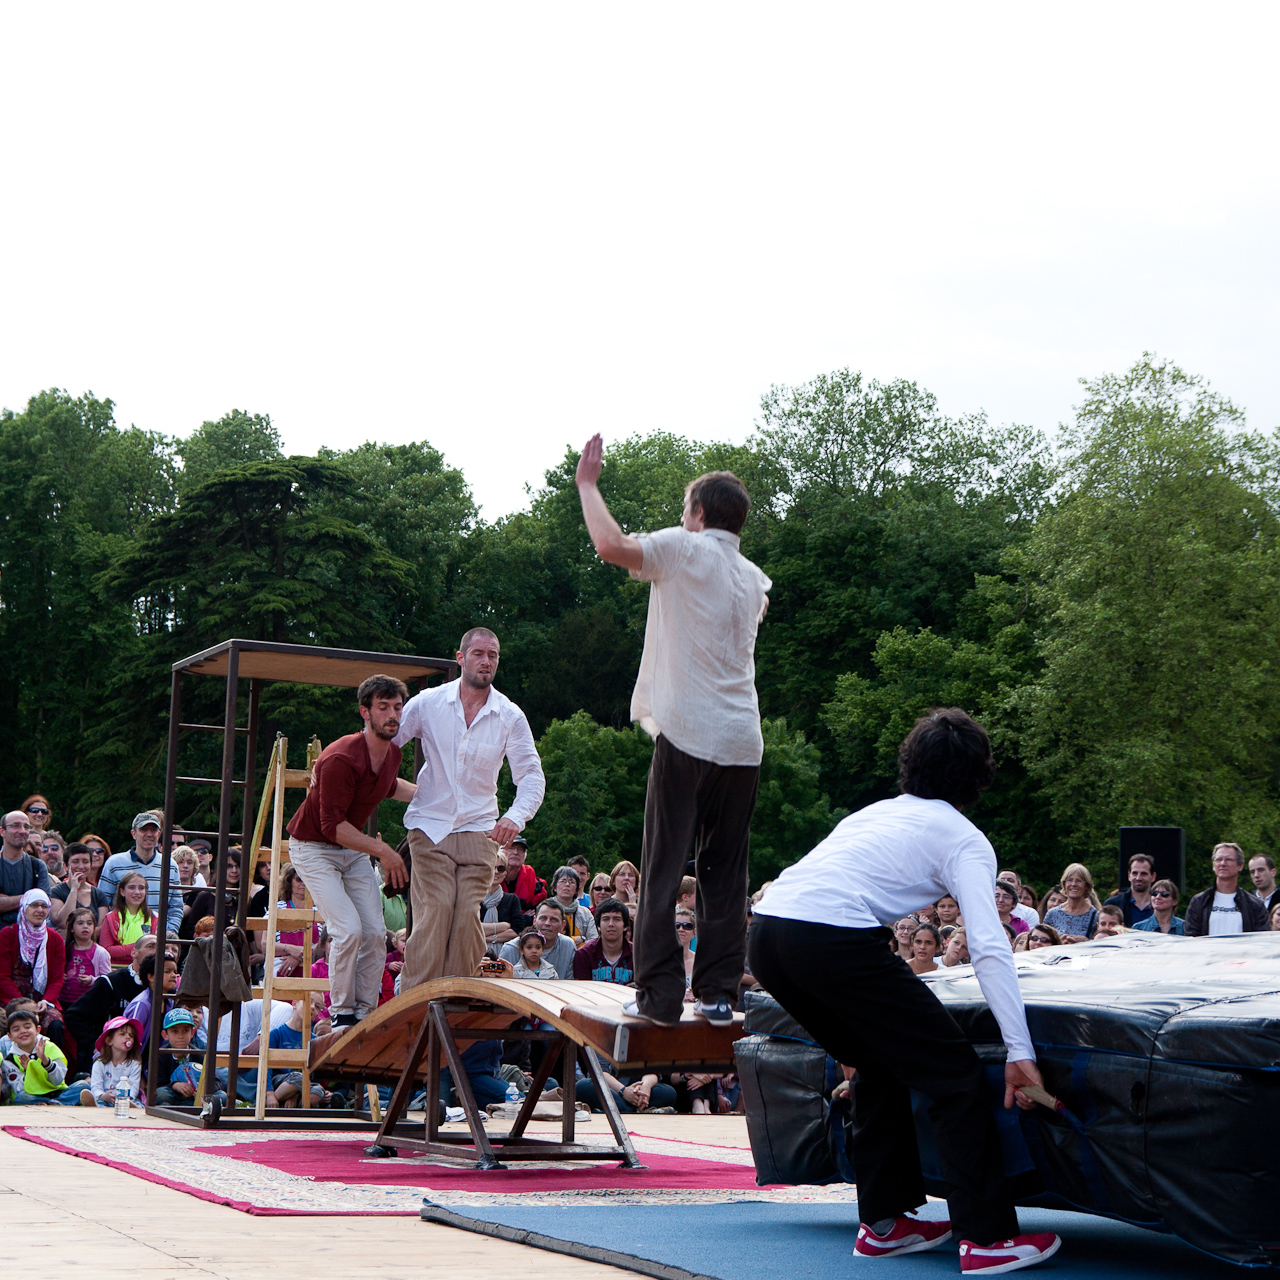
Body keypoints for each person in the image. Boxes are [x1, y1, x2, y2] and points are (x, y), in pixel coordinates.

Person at [750, 708, 1060, 1272]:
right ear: (979, 777)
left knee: (878, 1062)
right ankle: (987, 1239)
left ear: (910, 765)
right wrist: (1020, 1051)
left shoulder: (873, 814)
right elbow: (989, 946)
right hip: (831, 938)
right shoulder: (965, 839)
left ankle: (885, 1223)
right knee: (954, 1074)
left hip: (769, 935)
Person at [577, 438, 770, 1031]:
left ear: (699, 513)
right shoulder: (754, 579)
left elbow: (610, 546)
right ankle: (717, 995)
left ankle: (659, 996)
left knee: (662, 866)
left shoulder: (685, 548)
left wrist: (588, 485)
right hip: (743, 740)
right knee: (725, 873)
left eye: (686, 509)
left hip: (688, 732)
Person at [393, 628, 545, 989]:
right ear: (460, 658)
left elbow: (531, 775)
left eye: (493, 655)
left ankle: (455, 998)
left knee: (465, 918)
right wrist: (344, 764)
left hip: (480, 831)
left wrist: (515, 816)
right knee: (436, 909)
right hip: (430, 826)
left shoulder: (509, 715)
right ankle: (416, 1000)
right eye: (478, 653)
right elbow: (385, 741)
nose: (486, 661)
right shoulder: (428, 703)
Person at [286, 675, 416, 1029]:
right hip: (314, 847)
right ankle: (341, 1012)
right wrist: (384, 850)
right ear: (365, 712)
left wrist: (433, 797)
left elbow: (389, 786)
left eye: (397, 707)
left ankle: (365, 1011)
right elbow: (332, 827)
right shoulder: (340, 758)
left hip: (352, 848)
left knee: (375, 933)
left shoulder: (393, 754)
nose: (392, 715)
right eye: (383, 707)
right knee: (347, 930)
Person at [62, 934, 156, 1076]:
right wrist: (97, 1046)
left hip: (146, 1066)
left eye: (159, 947)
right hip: (107, 1067)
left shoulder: (166, 989)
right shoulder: (110, 982)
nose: (156, 951)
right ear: (134, 952)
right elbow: (73, 1016)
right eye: (150, 946)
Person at [98, 812, 183, 937]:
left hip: (158, 938)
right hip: (122, 936)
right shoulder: (114, 863)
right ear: (134, 833)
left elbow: (176, 907)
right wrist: (113, 932)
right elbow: (103, 903)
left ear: (159, 834)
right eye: (144, 830)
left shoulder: (170, 865)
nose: (149, 834)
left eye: (153, 830)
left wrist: (168, 933)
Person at [0, 891, 66, 1048]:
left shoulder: (55, 939)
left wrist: (47, 1001)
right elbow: (2, 976)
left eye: (44, 906)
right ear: (24, 907)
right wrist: (21, 1003)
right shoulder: (8, 934)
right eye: (34, 905)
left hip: (42, 1001)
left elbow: (56, 979)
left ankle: (52, 1061)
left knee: (55, 1024)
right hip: (11, 999)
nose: (40, 910)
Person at [1184, 843, 1270, 936]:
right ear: (1213, 866)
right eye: (1218, 860)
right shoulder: (1199, 902)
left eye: (1229, 859)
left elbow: (1261, 939)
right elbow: (1191, 938)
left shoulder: (1254, 905)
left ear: (1240, 866)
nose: (1223, 863)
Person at [1, 1006, 70, 1104]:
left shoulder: (50, 1047)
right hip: (32, 1095)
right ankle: (57, 1103)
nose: (23, 1031)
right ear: (10, 1036)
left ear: (38, 1029)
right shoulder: (10, 1059)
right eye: (16, 1029)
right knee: (21, 1097)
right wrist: (28, 1072)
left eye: (27, 1027)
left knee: (82, 1085)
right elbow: (18, 1089)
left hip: (57, 1091)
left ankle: (53, 1102)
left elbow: (58, 1080)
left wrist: (46, 1061)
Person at [79, 1016, 144, 1108]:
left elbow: (134, 1087)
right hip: (105, 1098)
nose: (128, 1037)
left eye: (131, 1035)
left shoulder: (134, 1064)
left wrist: (127, 1098)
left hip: (126, 1099)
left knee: (139, 1105)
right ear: (109, 1041)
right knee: (100, 1103)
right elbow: (96, 1086)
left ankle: (131, 1107)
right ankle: (95, 1105)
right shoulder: (99, 1063)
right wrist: (103, 1096)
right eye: (122, 1034)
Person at [0, 810, 51, 927]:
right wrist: (29, 897)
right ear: (2, 831)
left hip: (29, 934)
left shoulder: (37, 866)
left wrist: (5, 900)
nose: (22, 831)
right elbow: (35, 901)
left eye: (26, 827)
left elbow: (43, 904)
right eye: (16, 826)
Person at [498, 900, 576, 977]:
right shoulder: (511, 949)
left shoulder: (568, 946)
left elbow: (571, 982)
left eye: (553, 920)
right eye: (543, 918)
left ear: (563, 925)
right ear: (534, 921)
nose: (547, 923)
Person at [48, 843, 111, 933]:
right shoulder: (55, 892)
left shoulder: (98, 895)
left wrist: (79, 936)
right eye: (75, 861)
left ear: (90, 865)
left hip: (92, 942)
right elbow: (63, 923)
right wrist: (74, 890)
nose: (81, 866)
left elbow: (102, 927)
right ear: (65, 866)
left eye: (85, 862)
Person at [100, 870, 160, 963]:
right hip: (116, 968)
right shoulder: (111, 918)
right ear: (122, 891)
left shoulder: (155, 917)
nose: (137, 892)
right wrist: (139, 948)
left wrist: (123, 950)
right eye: (131, 887)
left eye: (141, 888)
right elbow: (106, 950)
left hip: (146, 967)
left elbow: (157, 949)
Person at [573, 899, 635, 983]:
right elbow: (582, 988)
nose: (611, 924)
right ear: (598, 925)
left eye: (617, 919)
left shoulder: (637, 954)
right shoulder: (584, 954)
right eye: (605, 919)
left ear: (625, 926)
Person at [61, 908, 111, 1006]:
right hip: (64, 1001)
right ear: (71, 928)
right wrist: (60, 977)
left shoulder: (101, 953)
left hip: (89, 1003)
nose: (85, 926)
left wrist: (91, 980)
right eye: (80, 923)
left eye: (89, 923)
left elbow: (107, 979)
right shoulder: (64, 949)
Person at [1043, 865, 1100, 943]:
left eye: (1079, 881)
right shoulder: (1052, 914)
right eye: (1070, 880)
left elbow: (1101, 944)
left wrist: (1087, 941)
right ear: (1064, 884)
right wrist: (1060, 942)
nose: (1073, 884)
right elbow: (1043, 942)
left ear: (1086, 886)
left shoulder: (1095, 915)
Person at [480, 851, 526, 947]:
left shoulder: (512, 899)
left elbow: (518, 930)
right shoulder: (474, 898)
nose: (496, 871)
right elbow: (469, 927)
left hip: (504, 953)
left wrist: (488, 938)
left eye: (500, 868)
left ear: (505, 873)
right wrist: (503, 926)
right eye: (492, 867)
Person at [501, 838, 547, 923]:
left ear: (524, 857)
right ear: (502, 852)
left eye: (520, 849)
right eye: (511, 848)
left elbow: (535, 912)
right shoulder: (492, 874)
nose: (516, 852)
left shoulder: (531, 878)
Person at [1104, 854, 1156, 927]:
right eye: (1135, 873)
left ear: (1153, 877)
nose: (1138, 878)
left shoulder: (1161, 905)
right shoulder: (1113, 904)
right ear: (1129, 875)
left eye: (1143, 874)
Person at [550, 866, 597, 943]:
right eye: (563, 881)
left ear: (576, 889)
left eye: (572, 882)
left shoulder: (585, 913)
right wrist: (577, 939)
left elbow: (594, 941)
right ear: (555, 887)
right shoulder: (545, 910)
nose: (567, 884)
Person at [675, 905, 697, 996]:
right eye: (677, 926)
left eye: (687, 926)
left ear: (694, 932)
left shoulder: (700, 961)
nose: (681, 929)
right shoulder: (661, 960)